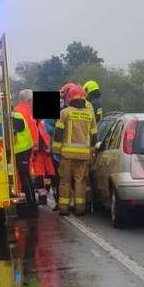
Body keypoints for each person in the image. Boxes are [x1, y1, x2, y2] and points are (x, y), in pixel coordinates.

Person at [55, 83, 96, 215]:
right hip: (83, 156)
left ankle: (64, 209)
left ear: (69, 98)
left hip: (66, 155)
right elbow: (94, 135)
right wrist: (92, 150)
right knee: (80, 182)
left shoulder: (64, 113)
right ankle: (80, 209)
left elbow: (58, 133)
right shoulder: (90, 115)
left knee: (65, 182)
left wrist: (55, 150)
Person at [10, 95, 40, 213]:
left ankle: (31, 203)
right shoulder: (20, 113)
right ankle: (30, 201)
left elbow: (15, 133)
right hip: (25, 149)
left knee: (24, 175)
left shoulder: (16, 116)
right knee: (24, 175)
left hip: (22, 150)